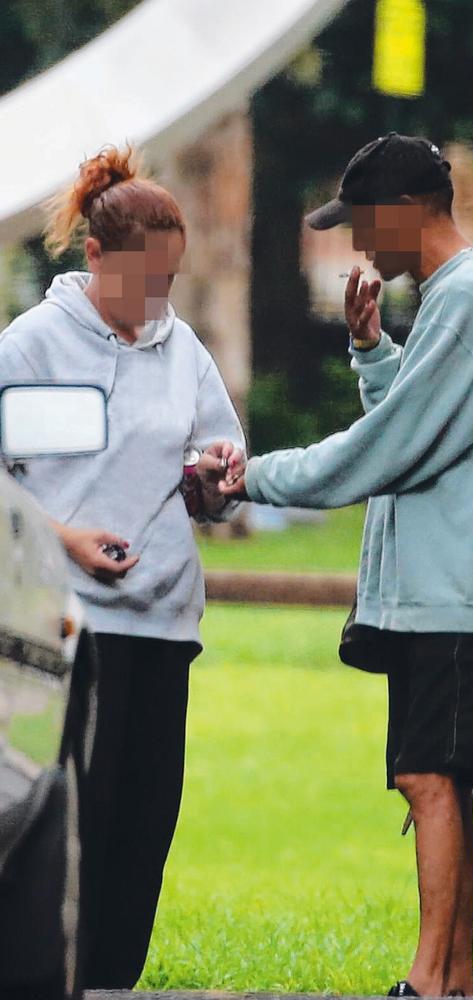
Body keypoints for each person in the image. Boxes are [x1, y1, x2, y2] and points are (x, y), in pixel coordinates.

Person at [220, 133, 473, 998]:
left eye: (365, 223)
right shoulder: (458, 298)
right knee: (441, 787)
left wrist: (248, 477)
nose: (361, 245)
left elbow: (389, 449)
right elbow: (428, 425)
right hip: (448, 591)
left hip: (462, 592)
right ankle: (458, 982)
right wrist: (371, 350)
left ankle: (430, 982)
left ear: (407, 211)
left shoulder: (471, 296)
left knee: (427, 780)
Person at [0, 145, 246, 989]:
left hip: (165, 624)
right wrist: (62, 536)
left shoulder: (184, 354)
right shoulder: (30, 346)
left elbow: (218, 465)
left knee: (147, 825)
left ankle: (113, 984)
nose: (157, 299)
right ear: (95, 256)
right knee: (80, 824)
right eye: (143, 277)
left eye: (169, 280)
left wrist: (213, 481)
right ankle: (56, 976)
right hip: (69, 627)